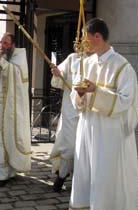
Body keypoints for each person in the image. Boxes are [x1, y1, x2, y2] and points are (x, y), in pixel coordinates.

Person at [69, 18, 138, 210]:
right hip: (87, 128)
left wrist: (96, 91)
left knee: (104, 176)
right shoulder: (86, 63)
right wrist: (80, 94)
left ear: (98, 37)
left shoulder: (123, 67)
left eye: (86, 38)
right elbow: (75, 97)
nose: (83, 43)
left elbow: (125, 101)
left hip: (109, 133)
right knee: (86, 173)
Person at [0, 32, 31, 186]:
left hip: (10, 106)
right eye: (1, 42)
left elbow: (17, 75)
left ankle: (10, 171)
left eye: (6, 43)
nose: (2, 45)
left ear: (13, 45)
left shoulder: (19, 57)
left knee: (9, 137)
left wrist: (1, 61)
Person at [49, 53, 80, 192]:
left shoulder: (98, 59)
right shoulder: (72, 58)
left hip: (88, 112)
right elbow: (59, 79)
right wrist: (57, 73)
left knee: (84, 148)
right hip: (70, 110)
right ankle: (61, 176)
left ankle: (79, 180)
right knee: (70, 145)